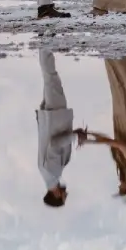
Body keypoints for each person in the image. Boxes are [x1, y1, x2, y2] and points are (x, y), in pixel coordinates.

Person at [81, 56, 126, 202]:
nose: (120, 187)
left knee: (122, 85)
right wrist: (99, 142)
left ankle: (119, 55)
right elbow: (122, 145)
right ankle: (119, 55)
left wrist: (89, 136)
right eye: (122, 190)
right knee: (124, 84)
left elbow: (114, 143)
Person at [35, 49, 86, 208]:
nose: (66, 194)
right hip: (49, 117)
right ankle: (45, 45)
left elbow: (56, 143)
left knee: (51, 77)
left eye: (64, 197)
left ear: (56, 194)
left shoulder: (53, 173)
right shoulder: (46, 174)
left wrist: (75, 136)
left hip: (55, 116)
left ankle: (45, 44)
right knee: (49, 78)